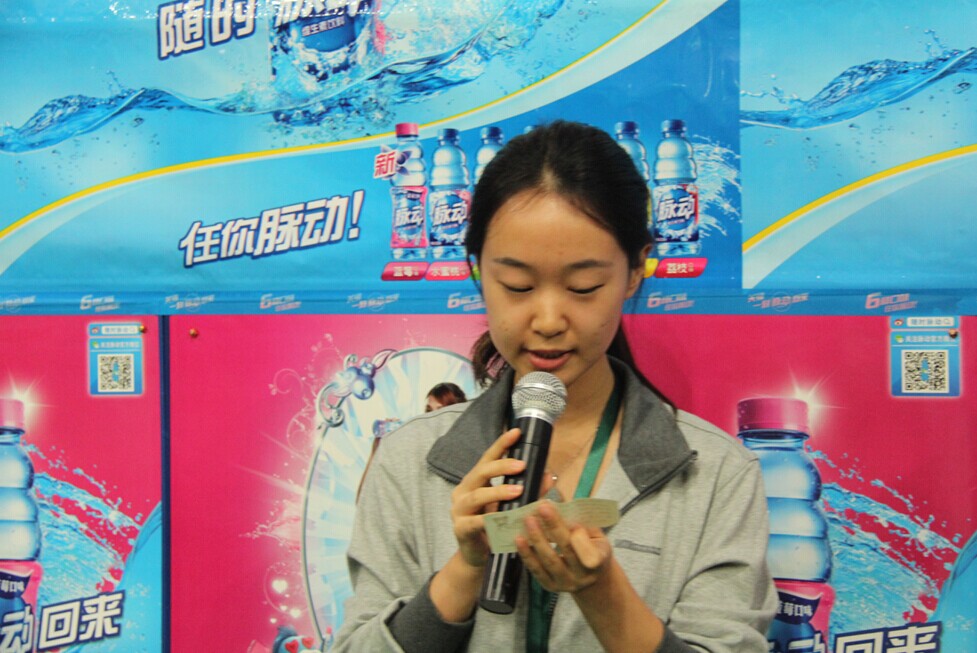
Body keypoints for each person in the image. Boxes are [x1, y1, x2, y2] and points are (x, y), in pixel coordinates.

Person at [334, 121, 776, 652]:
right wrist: (464, 569)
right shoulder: (409, 460)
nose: (548, 321)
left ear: (636, 270)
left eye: (583, 287)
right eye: (517, 286)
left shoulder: (717, 474)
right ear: (476, 271)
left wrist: (603, 594)